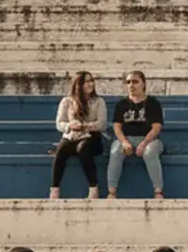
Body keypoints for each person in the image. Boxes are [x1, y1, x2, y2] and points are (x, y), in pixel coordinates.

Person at [107, 70, 165, 200]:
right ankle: (112, 191)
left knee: (149, 152)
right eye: (128, 82)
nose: (131, 85)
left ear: (143, 84)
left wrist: (144, 143)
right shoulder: (121, 104)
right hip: (126, 139)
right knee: (116, 150)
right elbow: (117, 127)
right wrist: (124, 142)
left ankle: (158, 191)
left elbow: (156, 128)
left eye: (135, 81)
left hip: (150, 140)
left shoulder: (153, 103)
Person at [50, 71, 107, 200]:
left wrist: (85, 126)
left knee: (83, 147)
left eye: (91, 80)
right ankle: (54, 189)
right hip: (72, 135)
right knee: (61, 148)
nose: (90, 84)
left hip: (92, 137)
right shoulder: (66, 101)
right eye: (86, 81)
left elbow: (102, 124)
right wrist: (70, 126)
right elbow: (59, 123)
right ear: (78, 85)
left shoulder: (99, 101)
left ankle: (93, 188)